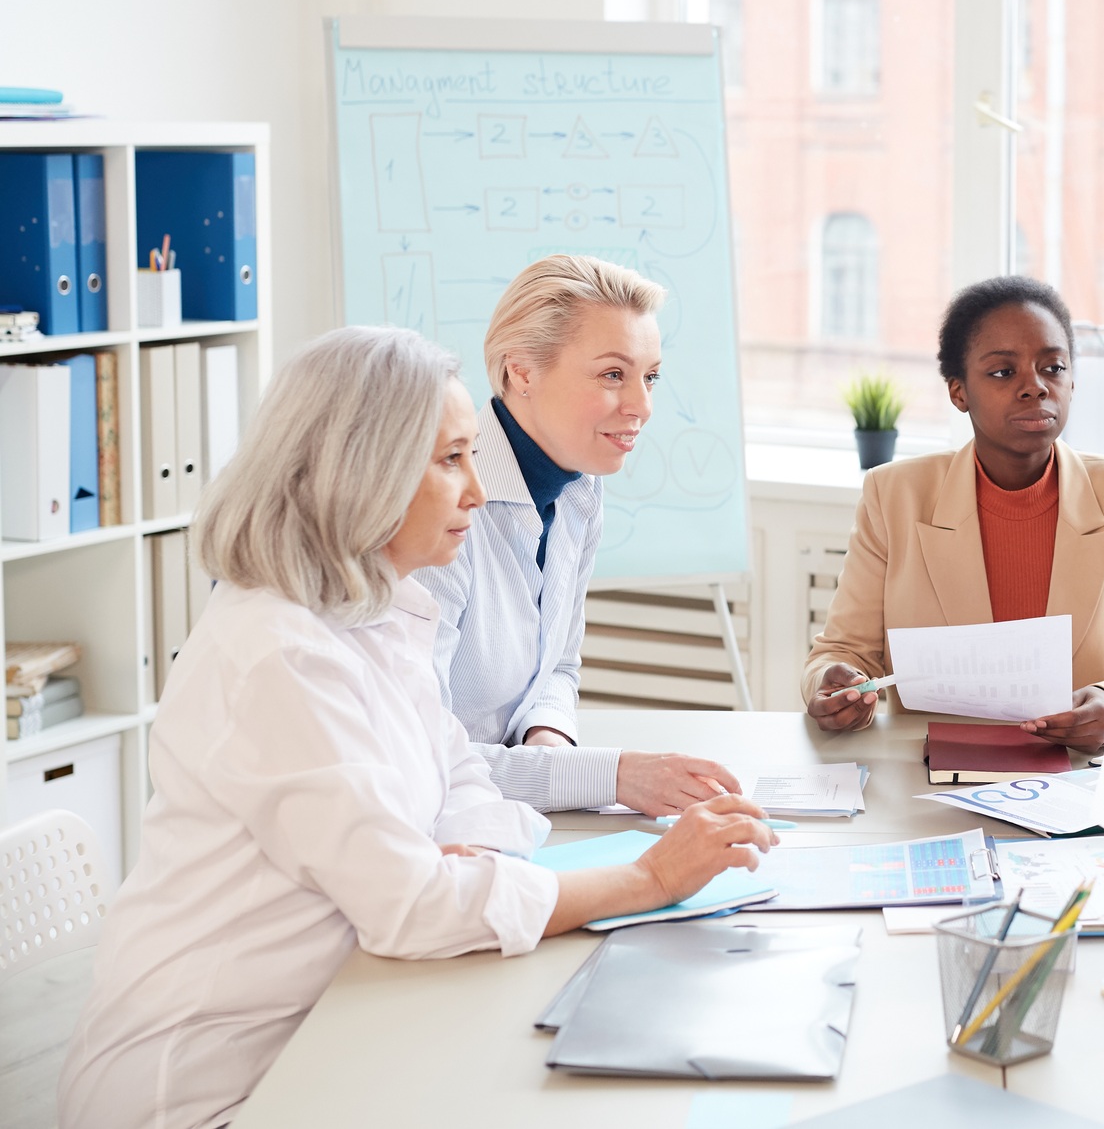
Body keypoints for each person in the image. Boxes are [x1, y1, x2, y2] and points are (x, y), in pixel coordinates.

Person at [57, 328, 774, 1129]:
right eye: (450, 459)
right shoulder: (279, 653)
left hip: (344, 1024)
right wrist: (650, 880)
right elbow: (414, 907)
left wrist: (468, 866)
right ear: (359, 473)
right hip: (214, 1087)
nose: (475, 490)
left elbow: (460, 780)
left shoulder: (381, 607)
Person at [802, 275, 1104, 749]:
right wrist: (833, 688)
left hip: (1076, 776)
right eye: (1003, 372)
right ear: (959, 392)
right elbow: (840, 653)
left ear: (1072, 381)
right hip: (932, 776)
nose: (1035, 388)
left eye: (1053, 367)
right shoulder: (893, 495)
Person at [415, 255, 739, 816]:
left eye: (650, 376)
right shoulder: (438, 504)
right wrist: (612, 777)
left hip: (507, 813)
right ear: (522, 372)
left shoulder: (579, 487)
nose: (642, 405)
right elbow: (423, 756)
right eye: (613, 374)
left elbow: (558, 667)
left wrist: (551, 745)